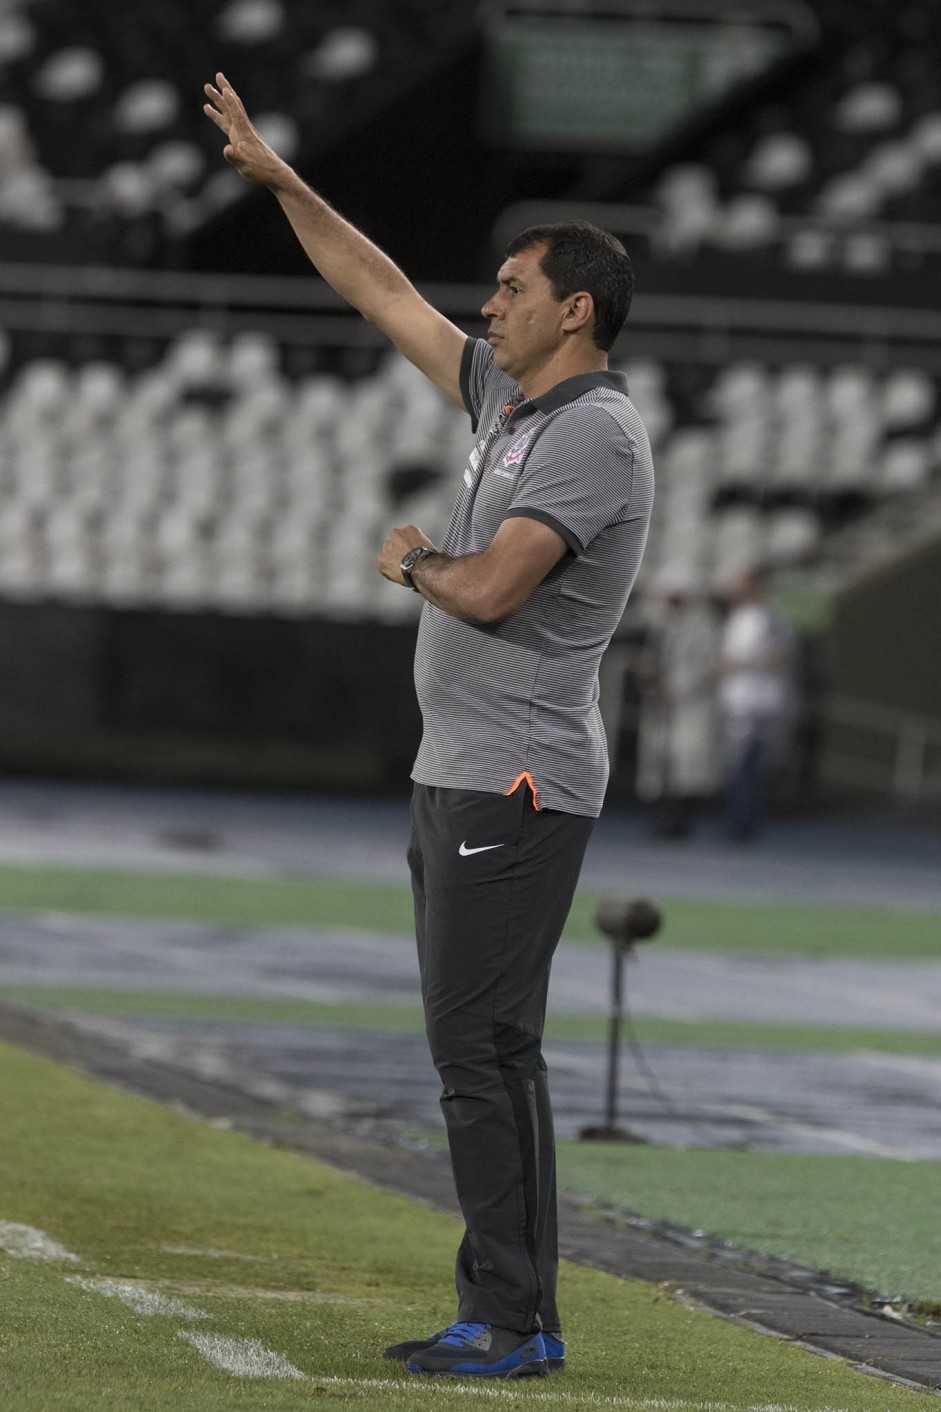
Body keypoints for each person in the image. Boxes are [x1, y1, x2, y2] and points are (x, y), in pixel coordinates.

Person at [204, 72, 653, 1381]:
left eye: (510, 288)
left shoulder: (591, 433)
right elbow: (379, 288)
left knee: (478, 1050)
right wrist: (285, 183)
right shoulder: (511, 405)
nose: (485, 305)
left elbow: (499, 582)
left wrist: (411, 562)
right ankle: (503, 1309)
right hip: (462, 772)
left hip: (513, 781)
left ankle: (513, 1320)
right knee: (480, 1050)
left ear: (574, 308)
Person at [635, 568, 721, 838]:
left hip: (689, 706)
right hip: (660, 706)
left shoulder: (705, 625)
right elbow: (653, 658)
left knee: (687, 765)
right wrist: (647, 678)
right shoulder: (662, 624)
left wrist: (675, 687)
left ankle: (681, 823)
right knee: (658, 765)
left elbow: (707, 666)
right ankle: (660, 821)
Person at [717, 565, 794, 842]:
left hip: (759, 704)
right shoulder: (736, 618)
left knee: (748, 767)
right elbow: (725, 660)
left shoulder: (771, 618)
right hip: (735, 701)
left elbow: (779, 659)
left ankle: (746, 824)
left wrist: (744, 662)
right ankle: (739, 820)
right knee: (735, 768)